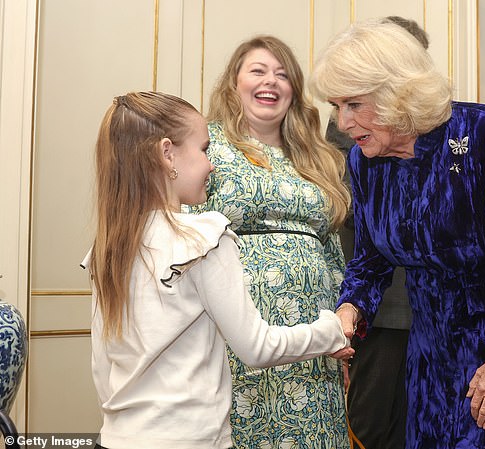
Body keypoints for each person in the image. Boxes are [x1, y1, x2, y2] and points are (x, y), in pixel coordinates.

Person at [310, 20, 485, 448]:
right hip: (431, 354)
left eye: (354, 105)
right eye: (337, 106)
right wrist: (350, 309)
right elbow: (372, 258)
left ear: (396, 93)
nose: (343, 122)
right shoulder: (364, 162)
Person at [83, 91, 352, 449]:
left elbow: (102, 367)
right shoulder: (203, 238)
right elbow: (257, 347)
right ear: (167, 154)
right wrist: (329, 331)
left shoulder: (108, 249)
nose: (212, 164)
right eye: (204, 149)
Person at [190, 36, 351, 449]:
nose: (271, 82)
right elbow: (184, 232)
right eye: (258, 71)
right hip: (235, 333)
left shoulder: (318, 156)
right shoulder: (207, 146)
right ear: (234, 83)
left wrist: (343, 326)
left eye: (282, 75)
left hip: (314, 342)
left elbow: (332, 248)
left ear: (294, 91)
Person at [324, 15, 429, 449]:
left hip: (434, 313)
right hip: (382, 306)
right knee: (371, 427)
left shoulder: (445, 129)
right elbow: (351, 213)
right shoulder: (351, 129)